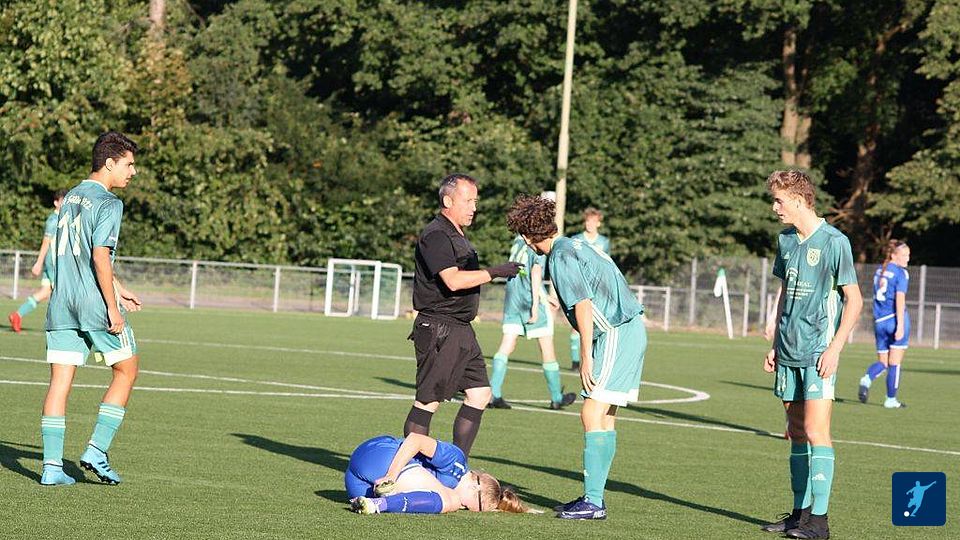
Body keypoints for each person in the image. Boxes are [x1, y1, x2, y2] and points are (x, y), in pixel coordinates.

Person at [506, 195, 646, 520]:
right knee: (604, 416)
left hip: (615, 331)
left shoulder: (561, 255)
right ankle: (593, 498)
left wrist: (585, 355)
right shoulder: (571, 245)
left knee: (591, 412)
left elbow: (583, 303)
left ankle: (594, 502)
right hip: (626, 327)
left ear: (526, 237)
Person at [760, 170, 862, 539]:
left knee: (818, 431)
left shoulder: (835, 242)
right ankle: (798, 515)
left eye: (779, 201)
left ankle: (819, 522)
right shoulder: (786, 240)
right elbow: (785, 291)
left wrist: (835, 348)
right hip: (788, 349)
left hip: (819, 351)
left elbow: (854, 300)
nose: (775, 208)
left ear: (801, 200)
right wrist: (775, 342)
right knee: (796, 431)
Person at [39, 131, 143, 486]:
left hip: (61, 303)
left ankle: (52, 467)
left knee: (59, 383)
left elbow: (82, 254)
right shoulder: (110, 203)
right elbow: (99, 256)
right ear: (110, 163)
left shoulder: (70, 197)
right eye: (129, 164)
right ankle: (97, 450)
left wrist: (120, 288)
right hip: (93, 304)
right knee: (127, 370)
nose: (133, 171)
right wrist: (113, 307)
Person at [405, 173, 521, 456]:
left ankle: (456, 465)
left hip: (461, 328)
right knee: (428, 401)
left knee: (480, 394)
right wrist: (494, 272)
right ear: (448, 201)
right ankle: (411, 466)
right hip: (439, 328)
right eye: (468, 201)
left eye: (475, 201)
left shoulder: (457, 235)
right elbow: (453, 281)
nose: (474, 207)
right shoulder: (436, 235)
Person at [487, 234, 576, 410]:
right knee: (546, 347)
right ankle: (556, 398)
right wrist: (536, 305)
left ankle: (493, 394)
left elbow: (522, 273)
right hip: (530, 301)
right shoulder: (537, 240)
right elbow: (535, 272)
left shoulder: (518, 240)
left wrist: (545, 295)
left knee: (506, 345)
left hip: (513, 300)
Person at [346, 433, 526, 514]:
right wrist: (391, 475)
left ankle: (373, 503)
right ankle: (378, 505)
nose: (469, 509)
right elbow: (415, 439)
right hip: (379, 454)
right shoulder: (457, 462)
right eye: (477, 507)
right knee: (451, 500)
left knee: (448, 498)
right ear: (476, 487)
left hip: (358, 485)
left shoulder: (448, 485)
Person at [858, 240, 911, 409]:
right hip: (894, 319)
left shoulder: (880, 270)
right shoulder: (901, 273)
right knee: (894, 363)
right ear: (893, 255)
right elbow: (900, 299)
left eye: (908, 255)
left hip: (879, 322)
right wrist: (900, 325)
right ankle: (891, 399)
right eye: (904, 255)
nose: (907, 259)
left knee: (883, 362)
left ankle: (867, 379)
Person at [8, 189, 68, 333]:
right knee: (63, 293)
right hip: (54, 263)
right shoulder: (53, 220)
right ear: (56, 203)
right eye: (62, 201)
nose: (65, 203)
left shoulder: (63, 218)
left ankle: (17, 315)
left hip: (53, 263)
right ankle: (63, 326)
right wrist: (39, 262)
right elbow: (46, 242)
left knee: (45, 292)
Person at [568, 208, 609, 371]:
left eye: (593, 221)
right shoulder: (576, 240)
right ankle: (575, 362)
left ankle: (594, 359)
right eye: (587, 221)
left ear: (598, 223)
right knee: (577, 324)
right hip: (580, 285)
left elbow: (606, 264)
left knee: (597, 325)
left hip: (598, 288)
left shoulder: (604, 242)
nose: (590, 224)